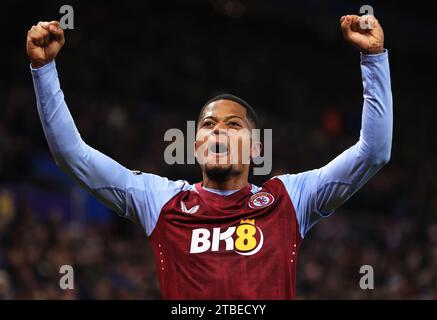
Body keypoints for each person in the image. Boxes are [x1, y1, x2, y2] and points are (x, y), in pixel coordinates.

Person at [26, 14, 392, 299]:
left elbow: (373, 153)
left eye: (233, 125)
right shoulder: (161, 200)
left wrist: (373, 59)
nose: (218, 130)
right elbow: (72, 155)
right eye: (209, 125)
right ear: (197, 144)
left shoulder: (290, 199)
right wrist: (44, 70)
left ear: (255, 147)